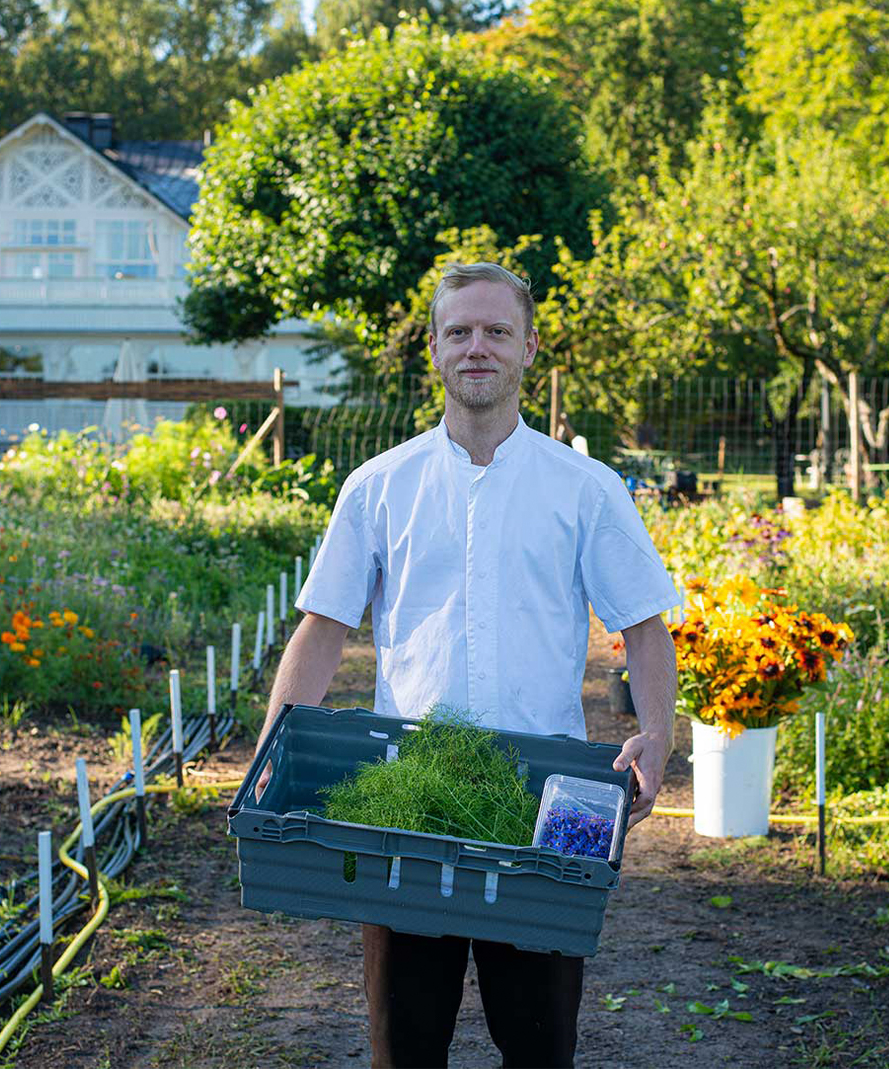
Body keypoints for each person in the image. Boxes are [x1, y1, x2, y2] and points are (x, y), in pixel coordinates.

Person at [253, 262, 679, 1069]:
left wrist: (656, 735)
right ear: (435, 349)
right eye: (459, 332)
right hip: (404, 802)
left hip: (543, 808)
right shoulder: (377, 486)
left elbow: (645, 628)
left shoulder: (583, 489)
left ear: (528, 347)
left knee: (541, 1045)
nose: (475, 347)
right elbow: (323, 627)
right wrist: (275, 749)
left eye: (494, 332)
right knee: (405, 1047)